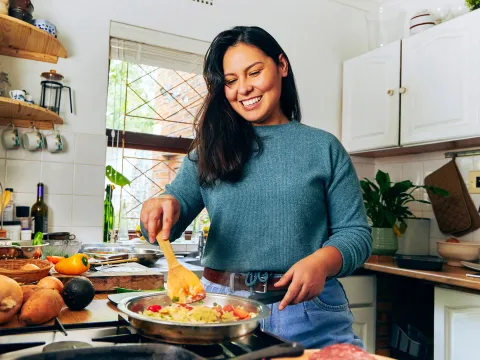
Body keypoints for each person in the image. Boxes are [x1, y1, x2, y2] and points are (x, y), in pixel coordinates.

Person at [140, 25, 372, 349]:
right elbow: (173, 210)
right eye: (231, 81)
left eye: (254, 72)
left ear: (281, 66)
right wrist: (162, 205)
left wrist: (322, 261)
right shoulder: (209, 149)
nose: (244, 89)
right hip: (221, 312)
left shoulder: (323, 148)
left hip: (310, 313)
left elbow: (356, 233)